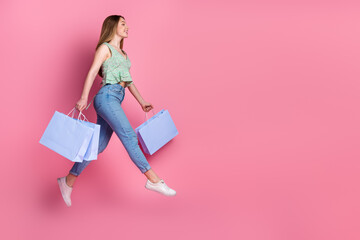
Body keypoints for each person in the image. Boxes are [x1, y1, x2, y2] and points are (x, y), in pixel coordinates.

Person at [57, 15, 176, 207]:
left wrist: (141, 101)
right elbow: (92, 71)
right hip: (107, 97)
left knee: (99, 146)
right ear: (112, 27)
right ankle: (153, 180)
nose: (127, 27)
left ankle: (67, 181)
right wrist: (83, 97)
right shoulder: (105, 48)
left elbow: (129, 82)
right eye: (123, 24)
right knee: (129, 136)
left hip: (116, 98)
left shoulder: (123, 54)